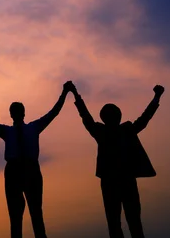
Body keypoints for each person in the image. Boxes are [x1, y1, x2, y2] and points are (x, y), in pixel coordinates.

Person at [0, 82, 72, 238]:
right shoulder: (11, 131)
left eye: (17, 111)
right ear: (13, 114)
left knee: (35, 212)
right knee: (16, 215)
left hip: (29, 169)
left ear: (21, 113)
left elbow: (54, 112)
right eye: (15, 111)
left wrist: (65, 92)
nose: (16, 113)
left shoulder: (32, 127)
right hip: (14, 171)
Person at [69, 83, 163, 238]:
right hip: (120, 181)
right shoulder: (119, 131)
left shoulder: (108, 131)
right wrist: (157, 96)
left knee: (119, 224)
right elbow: (145, 118)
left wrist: (75, 94)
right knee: (128, 223)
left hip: (117, 181)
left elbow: (85, 116)